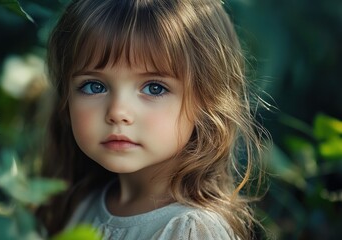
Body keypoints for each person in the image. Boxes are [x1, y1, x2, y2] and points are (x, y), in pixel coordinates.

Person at [37, 0, 268, 239]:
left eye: (154, 88)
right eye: (94, 86)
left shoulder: (191, 230)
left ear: (207, 100)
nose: (117, 112)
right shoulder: (80, 204)